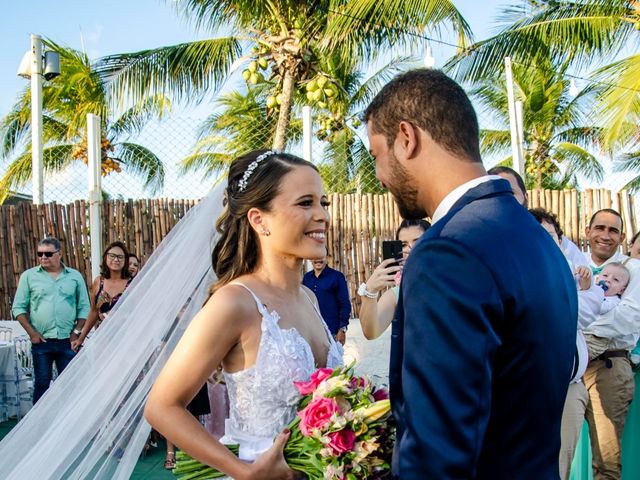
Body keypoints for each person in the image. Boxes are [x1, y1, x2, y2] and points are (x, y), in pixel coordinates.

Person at [364, 69, 577, 478]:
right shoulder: (535, 238)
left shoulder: (448, 251)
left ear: (407, 138)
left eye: (377, 154)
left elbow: (437, 452)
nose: (379, 175)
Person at [144, 150, 343, 479]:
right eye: (306, 203)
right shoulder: (235, 303)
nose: (322, 215)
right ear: (258, 219)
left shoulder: (309, 297)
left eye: (324, 202)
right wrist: (242, 471)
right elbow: (161, 407)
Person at [529, 208, 601, 480]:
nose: (547, 243)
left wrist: (579, 293)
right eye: (538, 236)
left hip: (570, 391)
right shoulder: (519, 278)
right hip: (531, 392)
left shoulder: (575, 272)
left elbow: (584, 313)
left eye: (552, 236)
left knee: (560, 471)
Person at [581, 208, 640, 479]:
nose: (605, 235)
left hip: (609, 367)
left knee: (606, 462)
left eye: (613, 230)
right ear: (587, 232)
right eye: (600, 228)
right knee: (552, 448)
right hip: (567, 368)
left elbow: (628, 319)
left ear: (622, 237)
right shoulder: (573, 264)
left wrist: (579, 326)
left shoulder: (635, 270)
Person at [11, 237, 90, 403]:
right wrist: (32, 333)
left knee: (69, 385)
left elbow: (84, 307)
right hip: (42, 342)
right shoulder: (29, 276)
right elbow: (18, 308)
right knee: (41, 384)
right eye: (40, 254)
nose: (43, 257)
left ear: (59, 254)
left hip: (68, 341)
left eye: (48, 253)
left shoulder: (74, 276)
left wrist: (76, 332)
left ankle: (68, 423)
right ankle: (39, 427)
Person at [487, 165, 588, 267]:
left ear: (526, 197)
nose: (503, 199)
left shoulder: (549, 234)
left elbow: (583, 277)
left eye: (510, 192)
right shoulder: (479, 240)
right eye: (495, 193)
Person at [358, 219, 430, 339]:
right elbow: (370, 333)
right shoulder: (397, 294)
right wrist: (370, 290)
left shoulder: (451, 280)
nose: (409, 248)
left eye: (418, 242)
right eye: (403, 245)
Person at [71, 241, 131, 351]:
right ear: (105, 258)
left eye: (120, 257)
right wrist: (81, 338)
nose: (116, 259)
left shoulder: (132, 283)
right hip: (103, 338)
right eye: (112, 256)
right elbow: (93, 312)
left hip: (127, 337)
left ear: (125, 260)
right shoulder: (99, 282)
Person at [302, 252, 351, 344]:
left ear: (327, 257)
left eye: (321, 256)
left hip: (332, 332)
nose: (318, 260)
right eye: (315, 257)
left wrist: (342, 329)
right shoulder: (306, 278)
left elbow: (345, 304)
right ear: (311, 259)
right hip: (311, 332)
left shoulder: (337, 277)